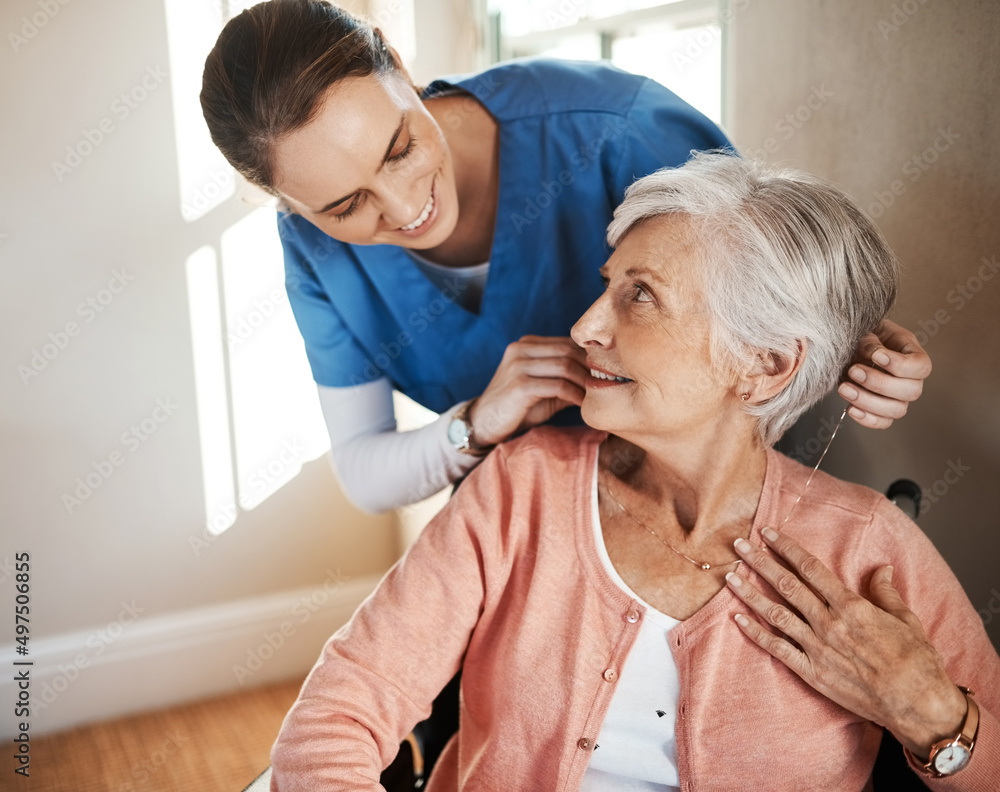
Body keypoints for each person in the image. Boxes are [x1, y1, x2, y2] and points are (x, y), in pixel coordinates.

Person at [267, 153, 998, 791]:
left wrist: (933, 716)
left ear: (763, 366)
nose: (586, 325)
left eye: (639, 295)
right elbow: (334, 718)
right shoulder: (520, 490)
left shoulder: (867, 544)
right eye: (609, 283)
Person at [200, 0, 932, 512]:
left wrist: (850, 344)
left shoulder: (615, 132)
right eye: (343, 206)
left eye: (398, 149)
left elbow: (772, 281)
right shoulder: (314, 253)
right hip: (525, 525)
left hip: (715, 503)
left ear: (396, 61)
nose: (402, 209)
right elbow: (363, 470)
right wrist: (477, 422)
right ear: (289, 206)